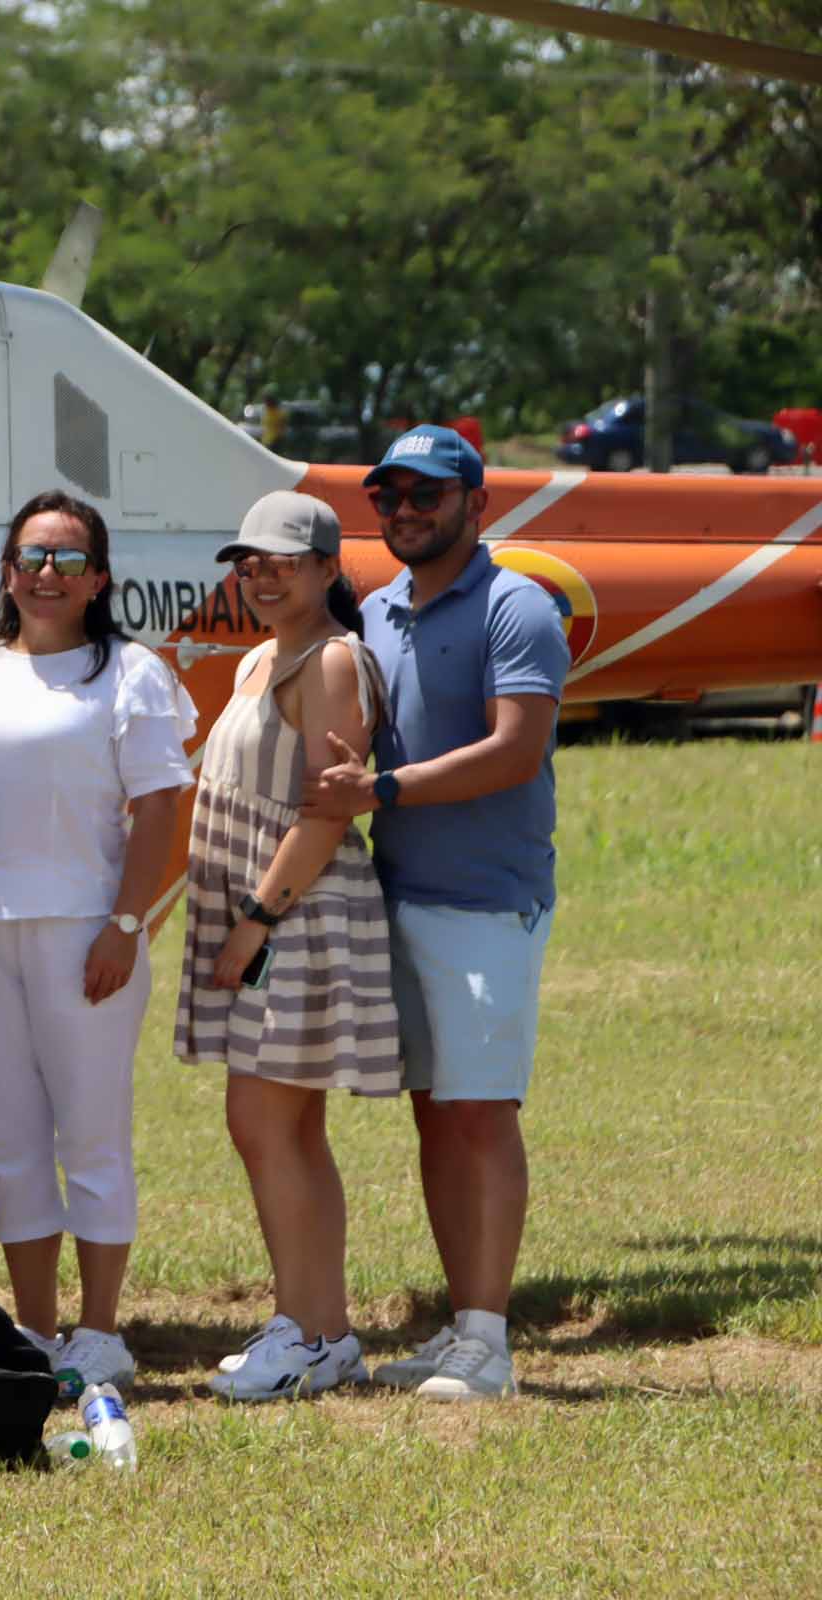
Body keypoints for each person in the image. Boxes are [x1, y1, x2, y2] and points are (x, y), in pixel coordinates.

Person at [306, 424, 569, 1403]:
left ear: (476, 504)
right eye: (390, 496)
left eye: (428, 493)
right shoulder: (374, 611)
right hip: (397, 896)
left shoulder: (518, 608)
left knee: (479, 1112)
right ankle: (464, 1329)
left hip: (486, 903)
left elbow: (514, 750)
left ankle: (490, 1343)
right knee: (433, 1112)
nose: (406, 509)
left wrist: (382, 791)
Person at [0, 490, 192, 1392]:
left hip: (88, 932)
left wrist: (125, 926)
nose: (48, 573)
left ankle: (100, 1331)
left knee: (91, 1133)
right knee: (5, 1140)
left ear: (98, 580)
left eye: (68, 559)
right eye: (33, 556)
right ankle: (36, 1330)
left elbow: (160, 807)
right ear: (8, 571)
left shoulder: (127, 672)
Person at [173, 490, 398, 1402]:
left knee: (268, 1124)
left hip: (295, 914)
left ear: (326, 569)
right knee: (283, 1127)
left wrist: (257, 921)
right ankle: (312, 1321)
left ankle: (313, 1334)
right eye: (249, 561)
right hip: (261, 905)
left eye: (282, 561)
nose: (261, 575)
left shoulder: (332, 661)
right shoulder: (260, 660)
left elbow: (325, 807)